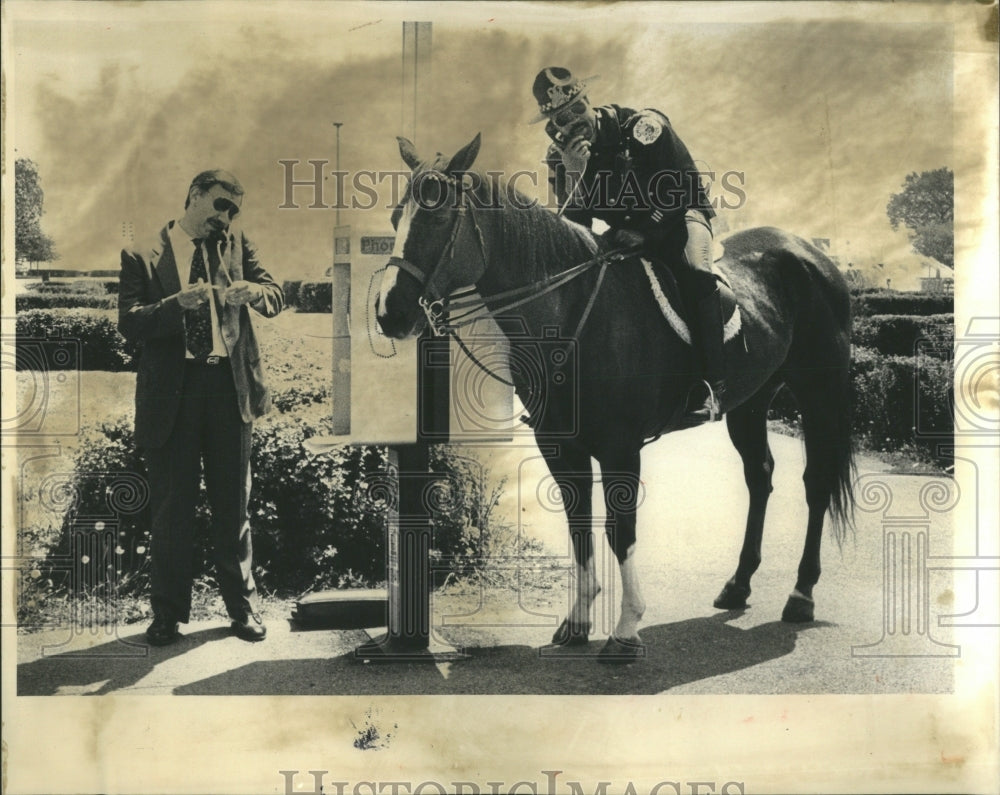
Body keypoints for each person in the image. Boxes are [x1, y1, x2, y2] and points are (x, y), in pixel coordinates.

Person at [118, 169, 284, 645]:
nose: (226, 217)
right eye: (219, 206)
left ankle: (242, 609)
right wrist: (175, 306)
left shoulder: (236, 244)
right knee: (173, 509)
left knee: (234, 507)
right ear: (193, 196)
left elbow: (276, 294)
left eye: (233, 210)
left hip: (228, 391)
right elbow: (128, 324)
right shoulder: (142, 253)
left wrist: (255, 292)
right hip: (173, 394)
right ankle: (167, 616)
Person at [530, 66, 724, 422]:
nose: (573, 123)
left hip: (678, 220)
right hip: (625, 233)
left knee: (696, 274)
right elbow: (575, 230)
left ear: (588, 101)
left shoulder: (642, 128)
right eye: (561, 119)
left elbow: (681, 188)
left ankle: (712, 384)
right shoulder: (561, 157)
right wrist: (573, 175)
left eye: (576, 110)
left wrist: (647, 234)